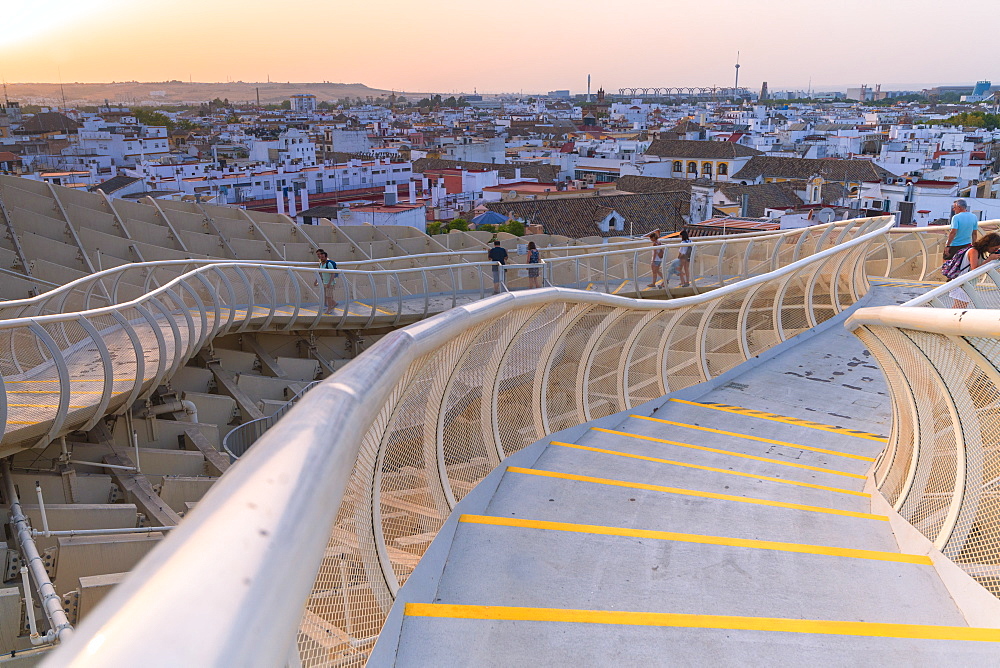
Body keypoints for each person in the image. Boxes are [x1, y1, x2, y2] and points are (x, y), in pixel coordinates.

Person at [949, 232, 1000, 308]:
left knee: (959, 308)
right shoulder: (973, 251)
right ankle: (947, 319)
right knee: (958, 308)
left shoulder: (980, 252)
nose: (996, 250)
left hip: (967, 284)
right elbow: (975, 270)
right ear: (989, 244)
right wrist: (990, 259)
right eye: (995, 248)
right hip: (962, 283)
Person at [943, 199, 980, 264]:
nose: (953, 209)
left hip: (955, 245)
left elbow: (953, 232)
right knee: (962, 264)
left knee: (946, 264)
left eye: (954, 207)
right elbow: (974, 233)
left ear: (959, 207)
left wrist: (947, 246)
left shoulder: (956, 217)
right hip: (967, 245)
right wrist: (973, 245)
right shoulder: (974, 217)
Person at [314, 248, 338, 314]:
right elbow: (320, 273)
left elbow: (333, 273)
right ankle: (334, 304)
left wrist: (329, 283)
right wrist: (316, 281)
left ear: (326, 257)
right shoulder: (321, 264)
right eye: (320, 257)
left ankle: (329, 309)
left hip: (329, 283)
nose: (321, 258)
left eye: (322, 257)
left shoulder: (329, 264)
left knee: (329, 297)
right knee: (327, 296)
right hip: (324, 282)